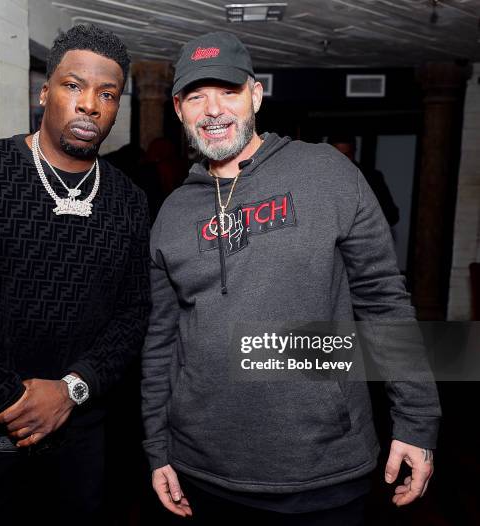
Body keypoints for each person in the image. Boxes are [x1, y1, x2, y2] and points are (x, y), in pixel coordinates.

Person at [141, 31, 440, 525]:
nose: (213, 110)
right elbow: (161, 341)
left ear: (255, 95)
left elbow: (384, 305)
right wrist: (156, 446)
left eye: (228, 92)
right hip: (202, 468)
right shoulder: (172, 213)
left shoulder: (327, 173)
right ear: (178, 108)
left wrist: (416, 420)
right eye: (196, 96)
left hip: (323, 466)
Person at [0, 24, 150, 525]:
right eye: (73, 86)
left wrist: (71, 390)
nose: (90, 104)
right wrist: (14, 398)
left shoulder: (129, 200)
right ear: (44, 92)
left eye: (107, 94)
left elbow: (135, 310)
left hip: (81, 446)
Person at [328, 135, 400, 227]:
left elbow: (391, 215)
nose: (341, 160)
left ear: (354, 153)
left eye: (347, 155)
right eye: (336, 155)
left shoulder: (371, 178)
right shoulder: (318, 177)